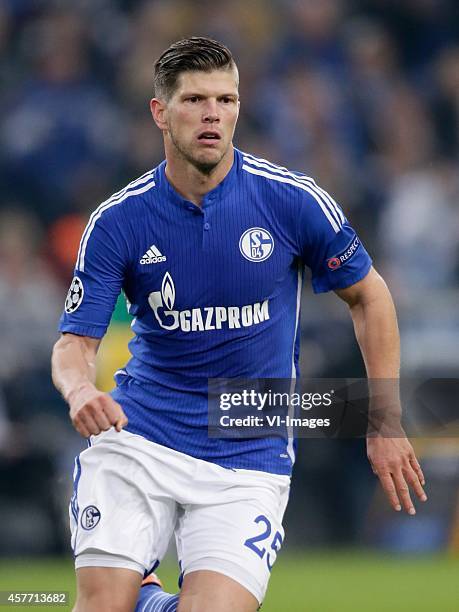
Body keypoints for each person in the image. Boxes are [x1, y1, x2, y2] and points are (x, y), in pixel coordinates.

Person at [51, 37, 427, 612]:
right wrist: (80, 388)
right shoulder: (118, 222)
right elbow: (75, 342)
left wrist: (384, 418)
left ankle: (146, 600)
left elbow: (370, 297)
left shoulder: (291, 201)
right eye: (195, 100)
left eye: (226, 100)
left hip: (247, 443)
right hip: (142, 434)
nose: (213, 114)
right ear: (160, 112)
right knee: (100, 606)